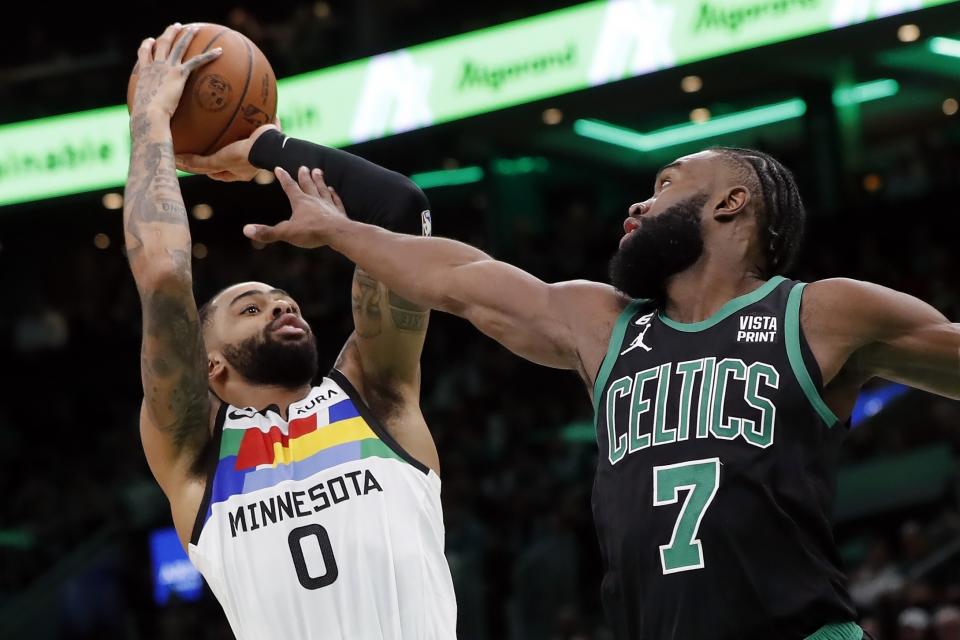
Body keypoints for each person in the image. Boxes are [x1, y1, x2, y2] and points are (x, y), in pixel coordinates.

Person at [241, 141, 959, 639]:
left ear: (732, 203)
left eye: (667, 184)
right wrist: (332, 223)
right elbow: (452, 279)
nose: (638, 206)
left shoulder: (819, 312)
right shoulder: (601, 322)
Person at [124, 24, 454, 639]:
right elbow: (164, 277)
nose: (280, 308)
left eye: (283, 301)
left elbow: (404, 212)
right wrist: (150, 122)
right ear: (209, 364)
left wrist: (267, 147)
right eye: (250, 308)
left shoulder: (375, 395)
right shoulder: (197, 459)